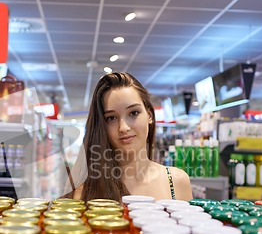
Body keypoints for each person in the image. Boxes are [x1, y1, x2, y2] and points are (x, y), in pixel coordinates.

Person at [70, 72, 192, 202]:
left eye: (133, 113)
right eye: (111, 118)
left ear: (149, 115)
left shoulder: (176, 181)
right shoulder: (85, 189)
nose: (123, 127)